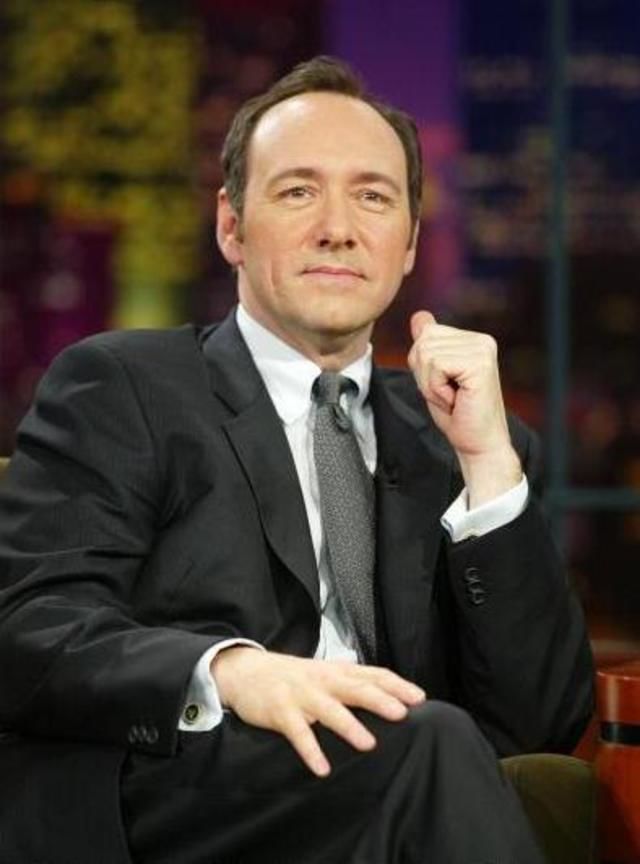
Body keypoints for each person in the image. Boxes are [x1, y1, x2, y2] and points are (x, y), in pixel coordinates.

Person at [0, 56, 593, 864]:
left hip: (396, 791)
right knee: (429, 744)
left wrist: (488, 462)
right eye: (298, 191)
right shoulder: (122, 385)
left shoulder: (460, 440)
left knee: (434, 746)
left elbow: (540, 724)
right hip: (182, 795)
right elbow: (30, 628)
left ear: (410, 242)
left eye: (373, 197)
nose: (338, 228)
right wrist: (229, 672)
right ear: (231, 226)